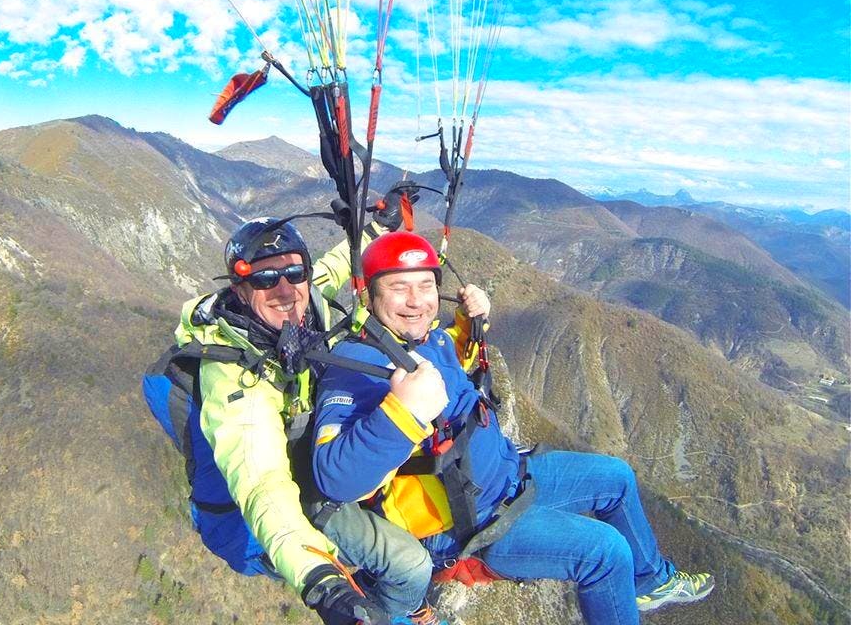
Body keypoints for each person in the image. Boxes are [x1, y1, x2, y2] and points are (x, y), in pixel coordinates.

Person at [311, 231, 715, 625]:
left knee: (617, 477)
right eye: (399, 288)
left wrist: (469, 323)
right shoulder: (356, 366)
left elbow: (456, 364)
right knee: (607, 553)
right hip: (470, 525)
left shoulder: (425, 338)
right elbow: (333, 477)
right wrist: (400, 413)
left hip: (509, 476)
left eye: (425, 286)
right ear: (369, 294)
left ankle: (649, 582)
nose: (416, 301)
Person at [174, 197, 441, 625]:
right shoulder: (235, 378)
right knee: (410, 564)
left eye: (295, 272)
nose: (284, 289)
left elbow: (336, 267)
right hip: (280, 513)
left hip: (314, 460)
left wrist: (379, 228)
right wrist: (320, 581)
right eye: (264, 278)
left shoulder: (306, 303)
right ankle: (397, 616)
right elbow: (262, 485)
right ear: (240, 290)